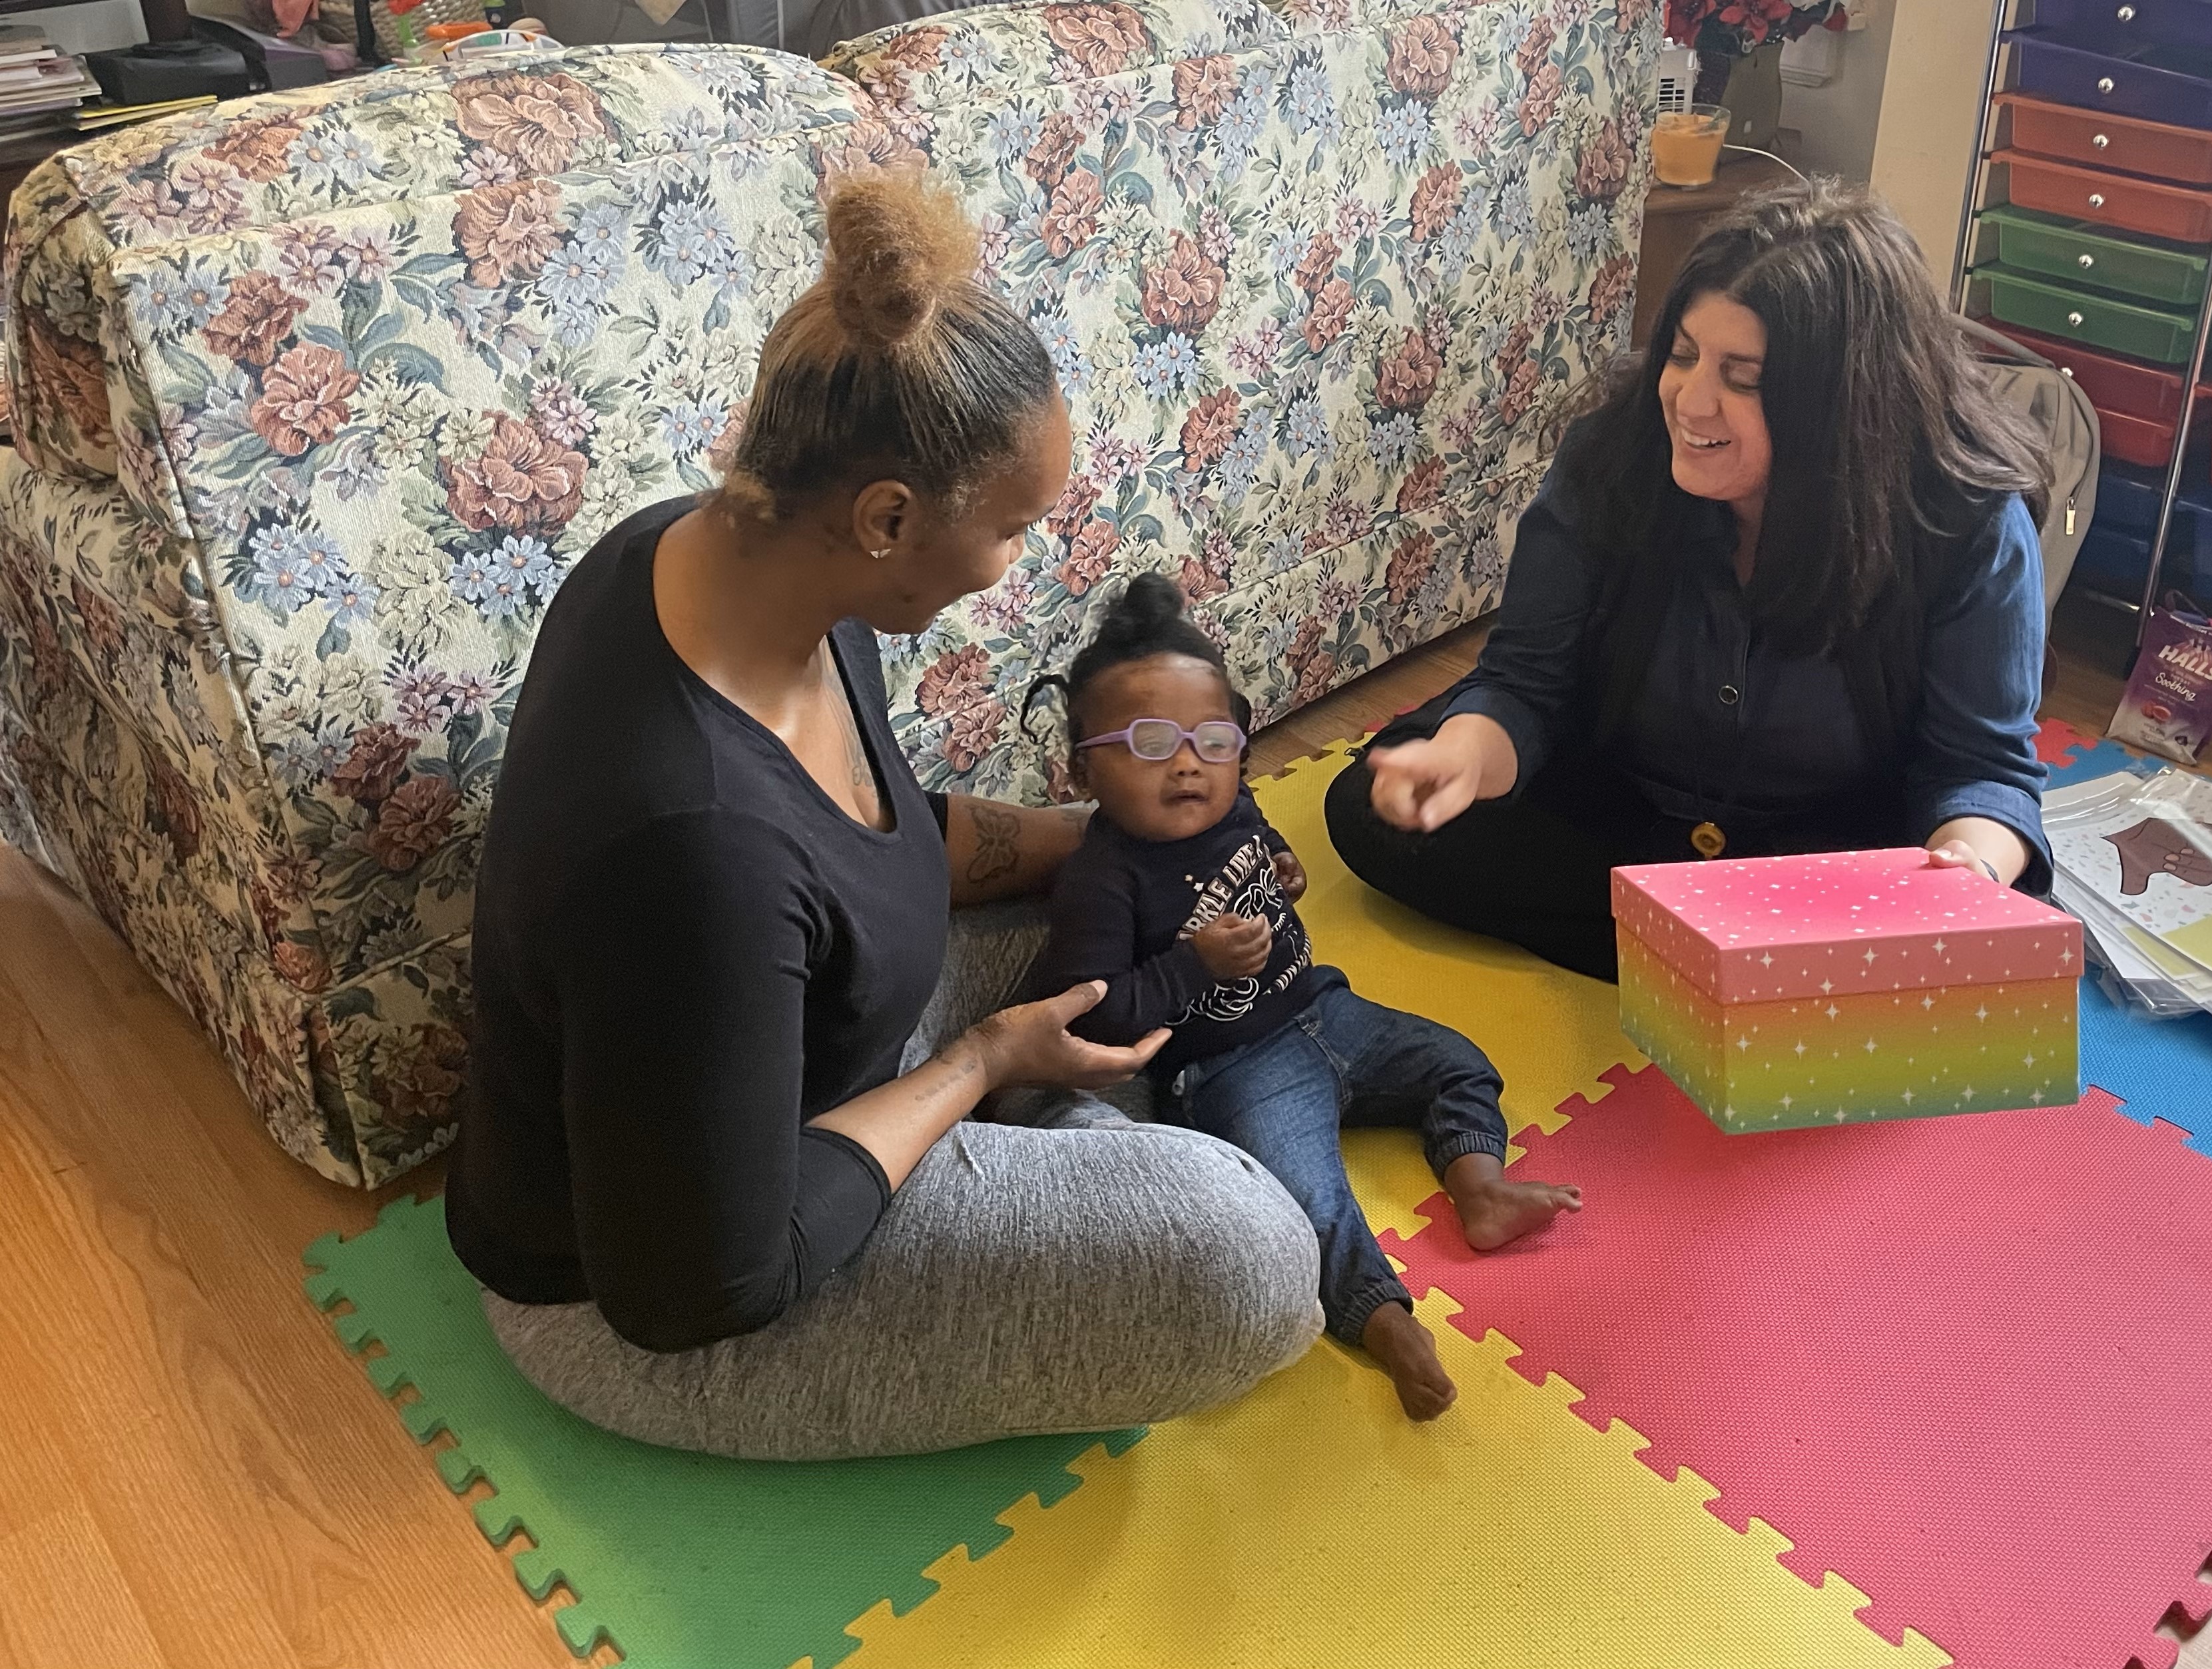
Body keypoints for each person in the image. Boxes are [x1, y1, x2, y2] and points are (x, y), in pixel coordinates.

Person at [445, 173, 1322, 1461]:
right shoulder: (692, 848)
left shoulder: (715, 564)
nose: (1014, 564)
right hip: (659, 1294)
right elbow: (704, 1286)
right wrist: (979, 1065)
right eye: (1014, 532)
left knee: (1131, 886)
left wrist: (1114, 841)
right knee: (1249, 1260)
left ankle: (1064, 1119)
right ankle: (1064, 1129)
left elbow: (865, 834)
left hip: (778, 1065)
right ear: (888, 518)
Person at [1326, 178, 2056, 981]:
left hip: (1823, 840)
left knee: (1986, 915)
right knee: (1370, 807)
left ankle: (1699, 949)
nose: (1691, 400)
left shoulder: (1964, 521)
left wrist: (1962, 876)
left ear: (1843, 401)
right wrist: (1462, 756)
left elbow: (1981, 769)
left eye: (1743, 379)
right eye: (1682, 353)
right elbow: (1525, 683)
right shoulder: (1612, 456)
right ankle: (1739, 960)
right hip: (1622, 803)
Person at [1021, 576, 1581, 1422]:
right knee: (1307, 1201)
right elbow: (1094, 1013)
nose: (1187, 763)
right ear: (1081, 767)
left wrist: (1283, 861)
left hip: (1322, 1008)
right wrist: (1192, 966)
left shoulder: (1231, 799)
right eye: (1147, 742)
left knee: (1459, 1062)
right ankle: (1384, 1318)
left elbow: (1256, 830)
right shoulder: (1103, 881)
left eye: (1212, 740)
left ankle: (1482, 1186)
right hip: (1232, 1067)